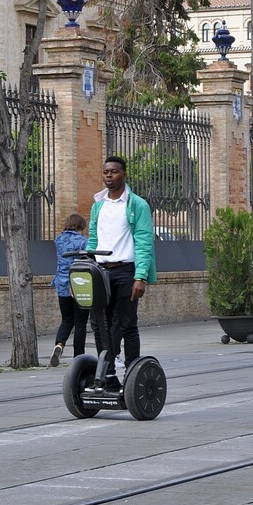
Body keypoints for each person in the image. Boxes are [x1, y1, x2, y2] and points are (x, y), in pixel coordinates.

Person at [87, 155, 157, 386]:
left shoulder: (137, 204)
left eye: (114, 171)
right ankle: (107, 376)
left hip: (126, 271)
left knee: (126, 323)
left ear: (124, 174)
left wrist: (141, 276)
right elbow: (93, 239)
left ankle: (131, 373)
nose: (109, 175)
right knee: (99, 324)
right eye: (106, 171)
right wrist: (88, 267)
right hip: (101, 271)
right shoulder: (98, 205)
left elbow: (144, 241)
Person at [49, 213, 90, 367]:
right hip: (79, 284)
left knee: (67, 320)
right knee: (80, 323)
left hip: (61, 283)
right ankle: (78, 357)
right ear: (80, 226)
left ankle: (59, 345)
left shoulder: (58, 240)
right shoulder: (83, 242)